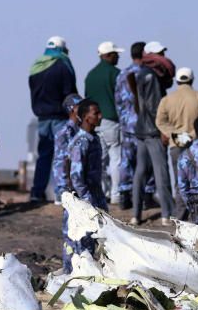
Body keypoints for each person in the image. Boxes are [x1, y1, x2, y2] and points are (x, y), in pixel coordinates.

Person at [156, 66, 198, 219]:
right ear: (192, 79)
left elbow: (160, 121)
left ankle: (180, 217)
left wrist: (175, 135)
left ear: (177, 81)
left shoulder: (167, 100)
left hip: (176, 145)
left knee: (180, 183)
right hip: (196, 146)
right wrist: (191, 135)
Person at [129, 41, 175, 225]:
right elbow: (155, 106)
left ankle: (135, 214)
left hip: (141, 129)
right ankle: (167, 214)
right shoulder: (152, 77)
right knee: (161, 172)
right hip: (153, 131)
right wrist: (163, 129)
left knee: (140, 173)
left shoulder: (141, 74)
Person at [28, 36, 77, 202]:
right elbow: (70, 93)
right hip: (59, 117)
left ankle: (37, 192)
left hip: (42, 118)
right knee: (61, 155)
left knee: (43, 155)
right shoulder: (62, 65)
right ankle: (60, 192)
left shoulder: (36, 67)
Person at [63, 99, 107, 268]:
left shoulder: (94, 139)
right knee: (78, 247)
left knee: (96, 243)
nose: (100, 116)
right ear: (85, 117)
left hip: (95, 197)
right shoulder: (80, 142)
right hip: (82, 202)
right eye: (95, 113)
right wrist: (88, 201)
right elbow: (76, 177)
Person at [114, 41, 154, 210]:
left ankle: (125, 194)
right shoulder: (149, 74)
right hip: (145, 125)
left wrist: (124, 119)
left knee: (126, 160)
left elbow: (118, 101)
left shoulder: (123, 74)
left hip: (127, 124)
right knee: (147, 160)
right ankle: (146, 195)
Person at [84, 41, 124, 204]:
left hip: (93, 122)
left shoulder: (90, 75)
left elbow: (87, 99)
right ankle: (116, 194)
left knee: (98, 160)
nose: (118, 57)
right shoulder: (116, 74)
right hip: (111, 120)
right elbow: (123, 98)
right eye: (115, 54)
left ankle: (100, 192)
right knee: (116, 158)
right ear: (108, 55)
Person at [52, 94, 83, 204]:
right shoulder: (65, 132)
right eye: (80, 106)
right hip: (67, 187)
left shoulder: (80, 130)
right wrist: (65, 188)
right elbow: (63, 160)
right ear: (72, 110)